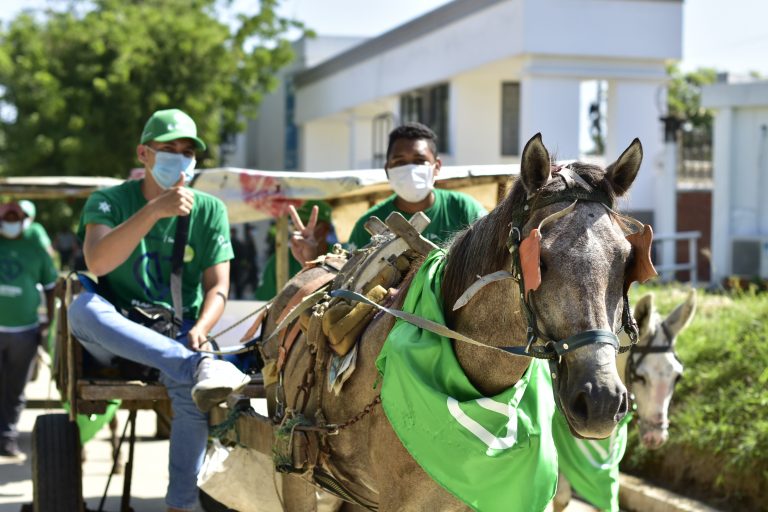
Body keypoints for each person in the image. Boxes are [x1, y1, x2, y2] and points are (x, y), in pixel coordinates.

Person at [67, 108, 250, 512]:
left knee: (189, 395)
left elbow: (218, 286)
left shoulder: (210, 210)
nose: (180, 158)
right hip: (118, 335)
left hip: (177, 334)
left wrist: (202, 326)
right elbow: (97, 264)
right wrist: (154, 211)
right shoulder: (109, 200)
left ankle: (181, 505)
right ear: (143, 154)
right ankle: (192, 365)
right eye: (168, 149)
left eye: (188, 151)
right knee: (82, 309)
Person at [291, 123, 486, 264]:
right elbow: (347, 282)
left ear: (437, 167)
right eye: (400, 162)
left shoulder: (465, 210)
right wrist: (312, 257)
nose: (410, 169)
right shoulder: (368, 224)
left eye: (419, 161)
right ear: (387, 170)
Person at [0, 202, 57, 458]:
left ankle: (7, 438)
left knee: (15, 387)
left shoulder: (36, 250)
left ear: (24, 220)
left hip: (24, 331)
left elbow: (50, 284)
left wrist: (50, 321)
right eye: (7, 216)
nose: (12, 220)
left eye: (16, 217)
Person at [254, 200, 333, 300]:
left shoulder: (341, 258)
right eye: (294, 225)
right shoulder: (279, 261)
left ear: (325, 229)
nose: (299, 231)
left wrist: (309, 262)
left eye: (306, 223)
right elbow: (263, 301)